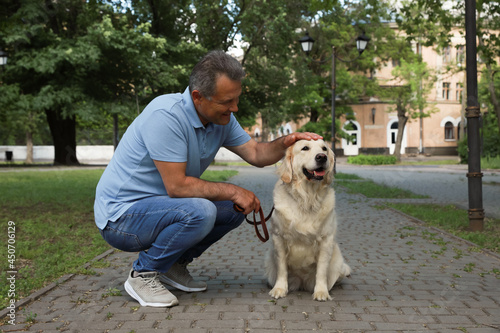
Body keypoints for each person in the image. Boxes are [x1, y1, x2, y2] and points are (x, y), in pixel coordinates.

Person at [94, 50, 322, 308]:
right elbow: (178, 186)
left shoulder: (221, 118)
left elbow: (257, 154)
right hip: (121, 218)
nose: (234, 108)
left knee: (234, 209)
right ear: (197, 97)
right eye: (227, 101)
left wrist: (286, 142)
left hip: (162, 206)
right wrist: (232, 190)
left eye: (236, 99)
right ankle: (142, 274)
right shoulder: (165, 116)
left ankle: (171, 266)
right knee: (201, 210)